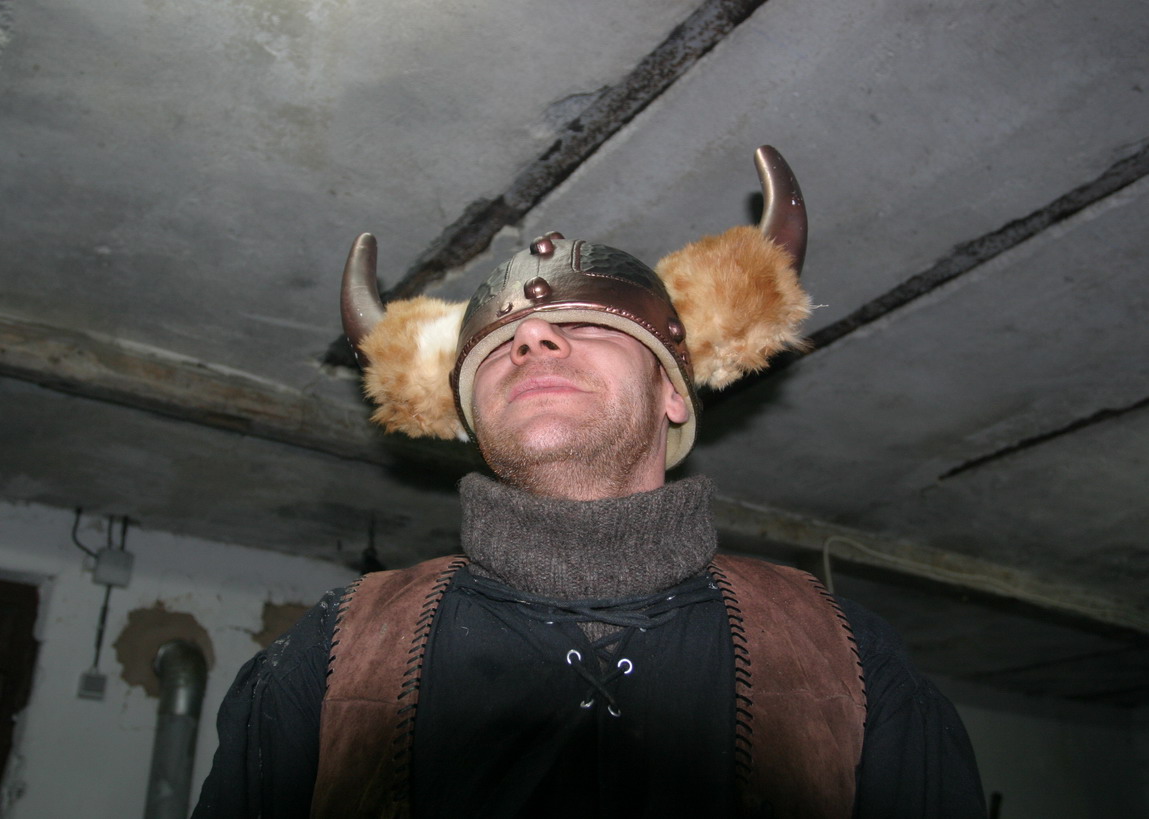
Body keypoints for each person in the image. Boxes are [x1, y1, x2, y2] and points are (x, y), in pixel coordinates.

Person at [192, 147, 985, 818]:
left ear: (673, 392)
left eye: (584, 325)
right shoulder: (328, 652)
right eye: (498, 346)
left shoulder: (848, 656)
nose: (533, 335)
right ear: (470, 420)